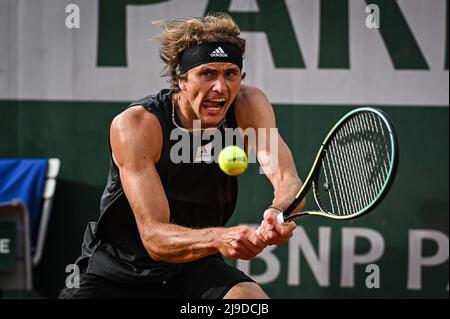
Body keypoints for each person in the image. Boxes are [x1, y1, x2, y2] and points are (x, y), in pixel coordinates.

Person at [59, 13, 304, 299]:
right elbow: (154, 238)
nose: (221, 88)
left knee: (249, 300)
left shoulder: (248, 105)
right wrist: (220, 238)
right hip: (118, 272)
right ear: (182, 79)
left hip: (193, 267)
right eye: (208, 73)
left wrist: (280, 212)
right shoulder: (137, 125)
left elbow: (288, 179)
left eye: (230, 73)